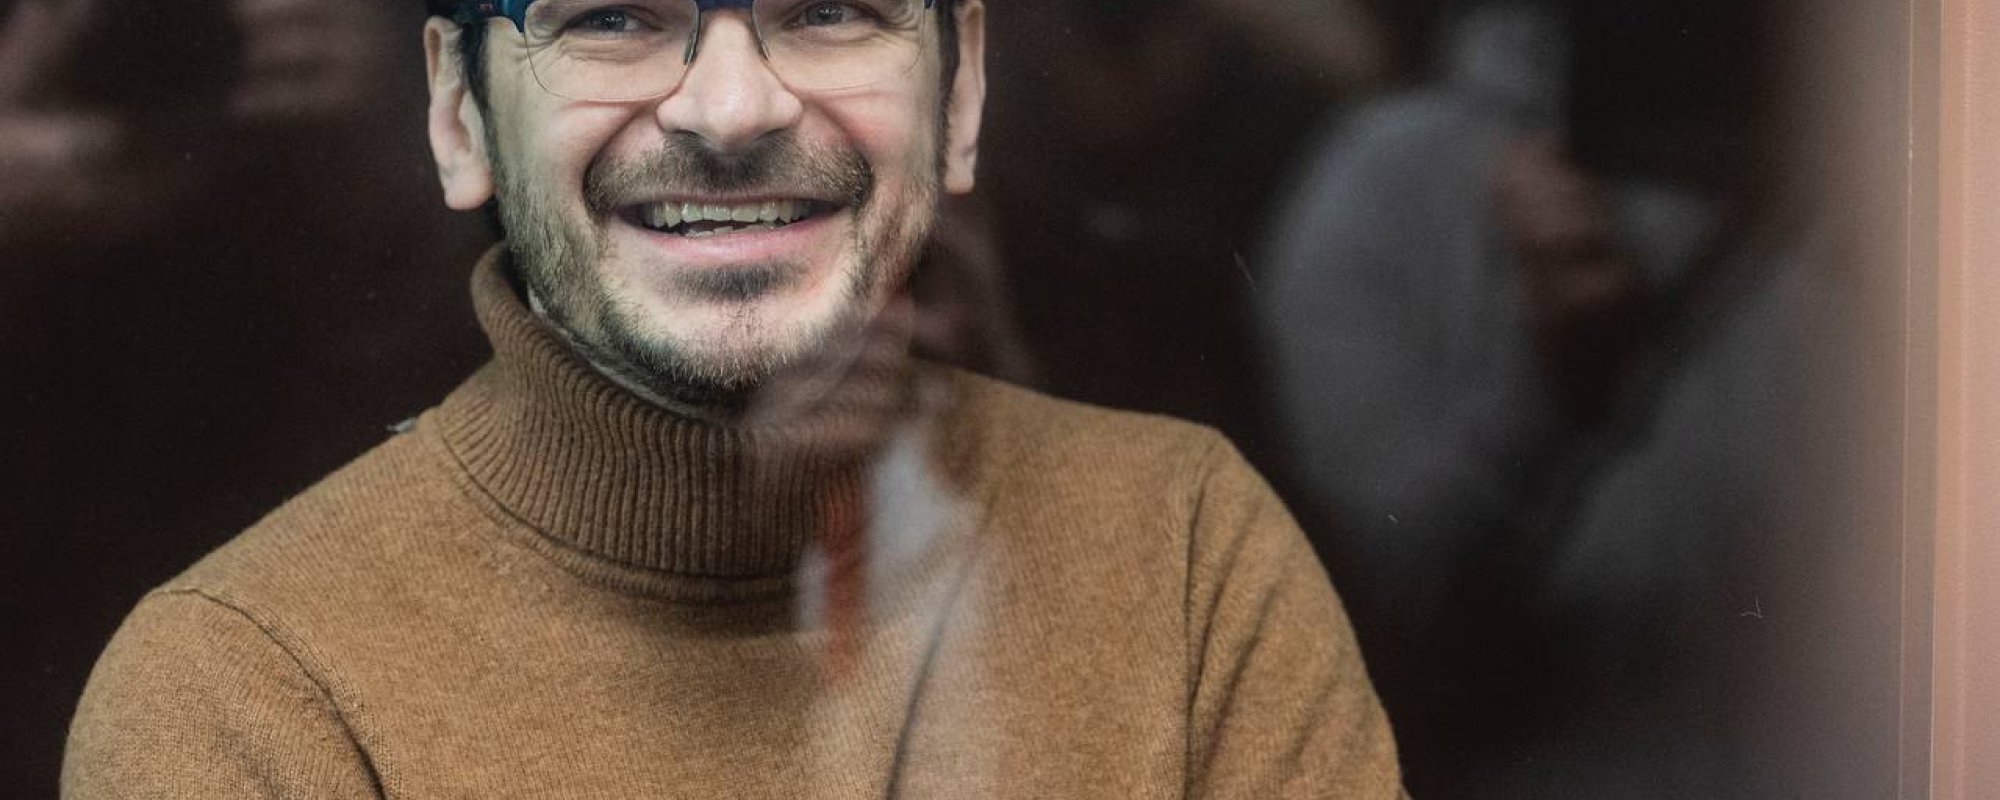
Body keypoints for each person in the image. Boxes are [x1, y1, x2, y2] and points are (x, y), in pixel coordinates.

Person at [62, 1, 1402, 795]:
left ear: (962, 98)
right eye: (610, 17)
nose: (730, 105)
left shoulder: (1187, 552)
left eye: (829, 10)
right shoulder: (245, 687)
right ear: (460, 120)